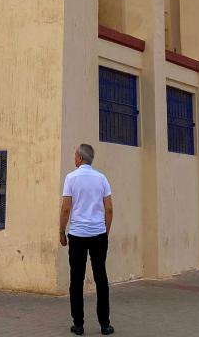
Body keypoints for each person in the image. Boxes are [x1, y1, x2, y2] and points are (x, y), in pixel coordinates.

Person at [60, 143, 114, 335]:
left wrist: (61, 232)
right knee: (101, 278)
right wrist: (105, 232)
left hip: (78, 235)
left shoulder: (71, 178)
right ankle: (105, 324)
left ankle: (79, 324)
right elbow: (109, 209)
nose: (74, 157)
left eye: (75, 154)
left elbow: (66, 208)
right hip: (98, 234)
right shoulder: (102, 178)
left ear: (80, 158)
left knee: (76, 279)